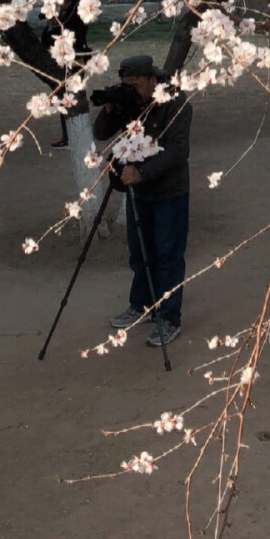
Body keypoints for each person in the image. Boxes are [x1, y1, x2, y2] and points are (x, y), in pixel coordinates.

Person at [92, 54, 192, 347]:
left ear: (152, 79)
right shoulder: (129, 101)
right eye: (127, 85)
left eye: (135, 85)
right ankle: (142, 304)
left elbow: (177, 151)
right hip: (138, 192)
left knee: (168, 255)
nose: (131, 90)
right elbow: (101, 133)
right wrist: (111, 107)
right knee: (140, 252)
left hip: (169, 190)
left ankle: (169, 316)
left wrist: (142, 172)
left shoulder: (176, 102)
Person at [42, 0, 92, 150]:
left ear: (70, 2)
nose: (61, 5)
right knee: (74, 97)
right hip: (79, 58)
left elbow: (49, 40)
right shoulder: (79, 16)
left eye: (64, 1)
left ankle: (69, 137)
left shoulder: (69, 19)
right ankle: (76, 136)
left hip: (70, 60)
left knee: (67, 98)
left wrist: (50, 27)